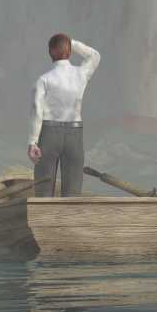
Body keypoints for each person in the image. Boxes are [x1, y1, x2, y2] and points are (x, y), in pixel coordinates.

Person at [27, 34, 101, 197]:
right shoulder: (81, 74)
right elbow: (94, 55)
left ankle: (44, 220)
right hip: (74, 135)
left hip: (49, 134)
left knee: (43, 190)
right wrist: (71, 44)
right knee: (72, 193)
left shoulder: (44, 80)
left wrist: (33, 142)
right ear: (69, 52)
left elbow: (37, 110)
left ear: (50, 52)